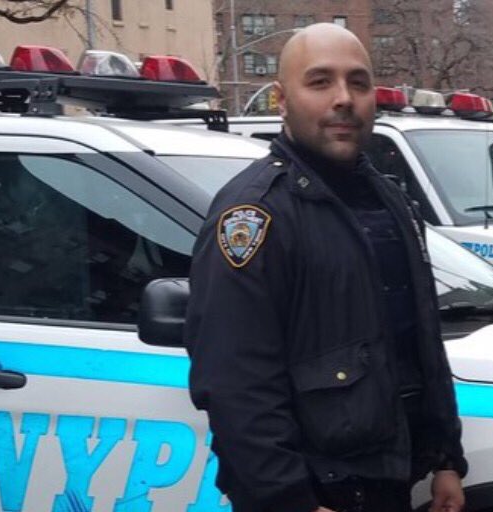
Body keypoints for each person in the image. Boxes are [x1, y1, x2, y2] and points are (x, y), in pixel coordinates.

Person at [184, 24, 466, 512]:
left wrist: (444, 458)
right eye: (320, 82)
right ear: (281, 100)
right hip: (312, 491)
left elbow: (419, 345)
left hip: (386, 483)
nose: (344, 99)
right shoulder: (254, 215)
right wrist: (290, 500)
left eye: (358, 83)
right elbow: (236, 384)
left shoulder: (390, 202)